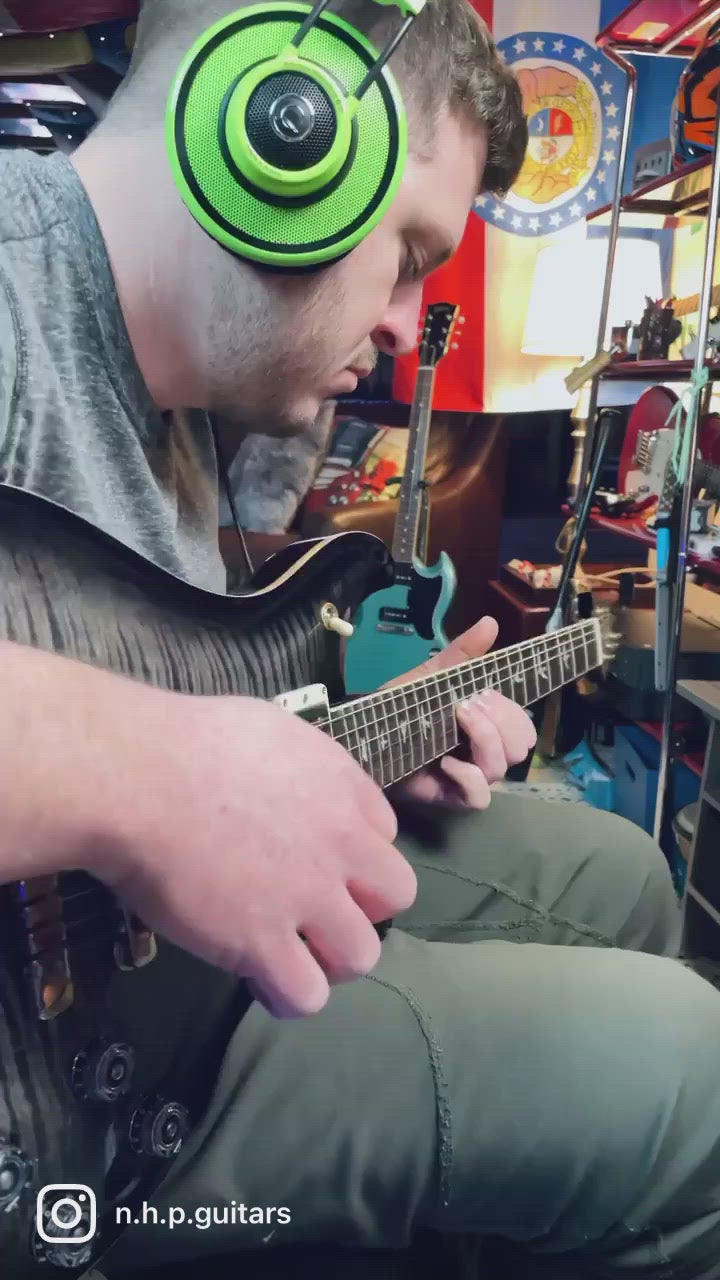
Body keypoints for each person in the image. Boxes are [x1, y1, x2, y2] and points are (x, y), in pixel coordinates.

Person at [2, 2, 720, 1277]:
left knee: (620, 874)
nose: (403, 321)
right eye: (410, 253)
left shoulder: (194, 410)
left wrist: (364, 740)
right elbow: (155, 754)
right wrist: (134, 773)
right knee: (696, 1076)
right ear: (273, 142)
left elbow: (197, 698)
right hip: (63, 1115)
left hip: (169, 977)